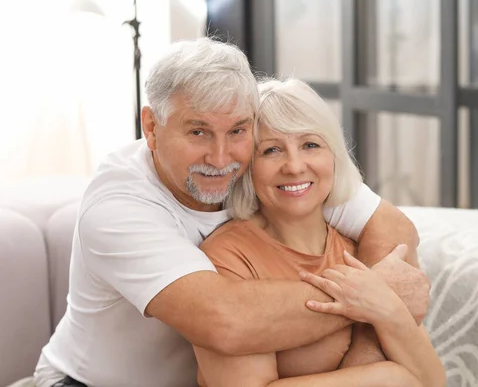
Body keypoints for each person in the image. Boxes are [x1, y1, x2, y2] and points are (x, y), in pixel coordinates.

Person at [24, 38, 428, 387]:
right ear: (151, 126)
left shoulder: (264, 165)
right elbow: (227, 322)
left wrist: (368, 345)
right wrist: (376, 299)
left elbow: (390, 225)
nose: (220, 158)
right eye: (197, 131)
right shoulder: (118, 206)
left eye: (236, 130)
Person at [194, 78, 445, 386]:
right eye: (271, 150)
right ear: (246, 166)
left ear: (334, 155)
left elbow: (433, 381)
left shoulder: (362, 248)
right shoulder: (228, 258)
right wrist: (391, 377)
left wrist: (383, 304)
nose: (295, 166)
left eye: (310, 145)